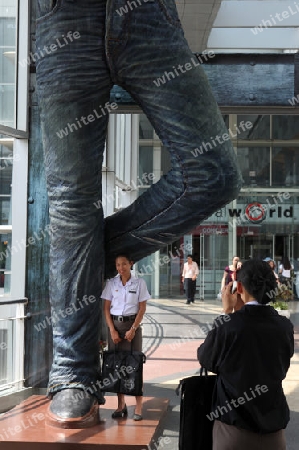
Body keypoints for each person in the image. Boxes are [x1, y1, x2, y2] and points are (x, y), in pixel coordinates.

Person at [35, 0, 242, 427]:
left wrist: (81, 256)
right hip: (64, 19)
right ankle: (73, 370)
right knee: (72, 202)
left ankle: (77, 255)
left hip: (151, 17)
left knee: (214, 175)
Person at [197, 259, 294, 450]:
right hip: (273, 432)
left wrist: (226, 312)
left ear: (239, 287)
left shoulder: (228, 325)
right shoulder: (284, 327)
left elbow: (206, 358)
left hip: (233, 430)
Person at [102, 254, 150, 421]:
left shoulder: (139, 283)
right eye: (117, 265)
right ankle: (120, 405)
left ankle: (138, 407)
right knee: (116, 366)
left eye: (123, 264)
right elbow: (106, 309)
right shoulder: (111, 283)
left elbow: (142, 308)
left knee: (135, 365)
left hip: (132, 327)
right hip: (115, 327)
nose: (120, 267)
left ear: (131, 264)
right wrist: (112, 330)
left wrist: (133, 329)